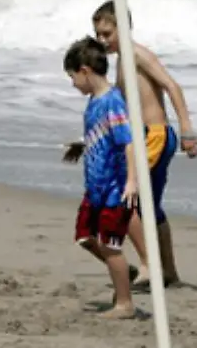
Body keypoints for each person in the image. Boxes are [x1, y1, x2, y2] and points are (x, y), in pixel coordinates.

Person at [92, 0, 197, 287]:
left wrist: (187, 130)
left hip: (155, 135)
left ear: (123, 28)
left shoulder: (137, 55)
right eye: (98, 34)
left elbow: (172, 86)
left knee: (126, 197)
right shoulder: (121, 61)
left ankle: (148, 266)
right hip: (142, 136)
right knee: (149, 207)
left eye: (107, 33)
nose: (102, 40)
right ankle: (168, 272)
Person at [63, 36, 139, 318]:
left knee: (110, 245)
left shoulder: (112, 101)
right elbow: (102, 135)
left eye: (72, 77)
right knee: (84, 237)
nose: (73, 84)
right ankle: (124, 271)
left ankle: (125, 304)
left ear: (85, 71)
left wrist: (132, 182)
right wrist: (82, 145)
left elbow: (127, 142)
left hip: (114, 188)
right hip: (95, 187)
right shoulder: (94, 101)